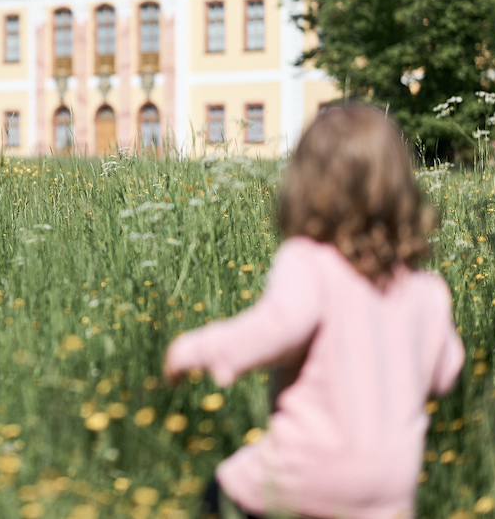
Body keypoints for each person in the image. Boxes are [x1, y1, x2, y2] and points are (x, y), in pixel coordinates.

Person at [163, 105, 464, 519]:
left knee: (223, 492)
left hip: (305, 476)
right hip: (389, 494)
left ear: (306, 185)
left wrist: (194, 349)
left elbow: (277, 327)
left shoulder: (309, 262)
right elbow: (446, 372)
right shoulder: (427, 290)